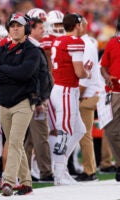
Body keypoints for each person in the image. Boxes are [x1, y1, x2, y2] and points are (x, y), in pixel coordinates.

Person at [0, 13, 41, 196]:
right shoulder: (2, 48)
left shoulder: (32, 49)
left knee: (14, 142)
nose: (15, 28)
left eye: (18, 25)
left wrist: (4, 70)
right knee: (15, 143)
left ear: (26, 28)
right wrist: (12, 73)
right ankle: (26, 183)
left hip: (23, 102)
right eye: (12, 26)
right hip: (4, 102)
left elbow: (25, 73)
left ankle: (8, 181)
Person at [50, 13, 92, 185]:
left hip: (63, 88)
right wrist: (87, 71)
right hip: (66, 90)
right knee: (65, 130)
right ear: (77, 25)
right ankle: (59, 174)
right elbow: (79, 72)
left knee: (79, 129)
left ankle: (61, 166)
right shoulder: (75, 41)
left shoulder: (58, 40)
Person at [24, 17, 53, 182]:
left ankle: (25, 172)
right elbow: (34, 76)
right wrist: (39, 98)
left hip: (30, 98)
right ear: (32, 29)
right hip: (35, 99)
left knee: (28, 139)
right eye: (40, 28)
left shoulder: (30, 47)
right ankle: (46, 172)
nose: (43, 30)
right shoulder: (32, 48)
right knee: (41, 136)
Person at [75, 17, 100, 182]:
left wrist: (76, 96)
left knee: (84, 135)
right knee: (82, 134)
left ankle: (89, 171)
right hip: (87, 93)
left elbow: (85, 75)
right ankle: (87, 168)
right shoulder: (86, 43)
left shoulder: (86, 45)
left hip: (86, 96)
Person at [100, 16, 120, 182]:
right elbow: (103, 66)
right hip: (115, 92)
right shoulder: (113, 43)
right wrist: (106, 77)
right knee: (111, 130)